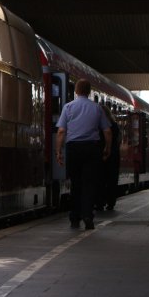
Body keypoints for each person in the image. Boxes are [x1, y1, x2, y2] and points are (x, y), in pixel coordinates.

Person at [55, 79, 112, 230]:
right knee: (89, 184)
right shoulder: (97, 109)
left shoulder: (68, 107)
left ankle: (75, 217)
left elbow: (61, 131)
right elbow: (107, 131)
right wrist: (107, 148)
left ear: (76, 91)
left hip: (73, 149)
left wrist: (59, 151)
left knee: (76, 184)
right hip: (92, 149)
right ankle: (88, 216)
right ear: (88, 92)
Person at [98, 104, 121, 211]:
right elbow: (118, 140)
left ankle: (100, 202)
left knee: (100, 179)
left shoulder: (98, 126)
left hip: (101, 155)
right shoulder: (114, 125)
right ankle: (111, 202)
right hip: (113, 156)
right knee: (112, 180)